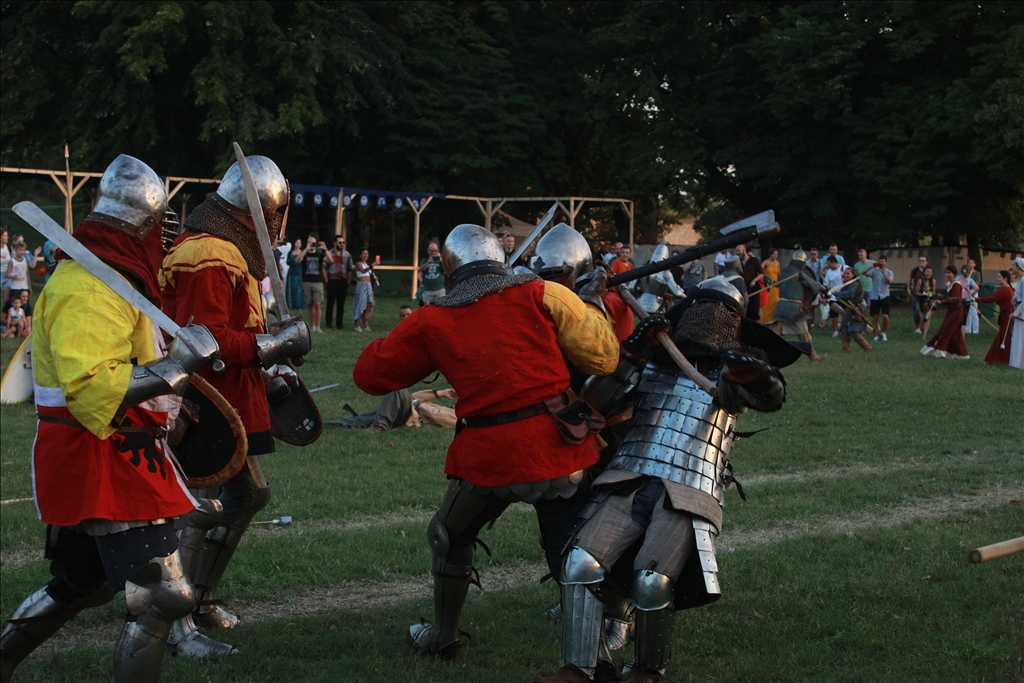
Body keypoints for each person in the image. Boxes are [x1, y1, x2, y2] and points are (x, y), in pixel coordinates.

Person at [0, 155, 223, 683]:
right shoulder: (87, 287)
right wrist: (177, 363)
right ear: (144, 226)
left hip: (122, 447)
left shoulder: (113, 280)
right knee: (165, 596)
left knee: (83, 582)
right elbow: (94, 388)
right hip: (97, 450)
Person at [353, 224, 619, 660]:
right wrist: (589, 304)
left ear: (450, 267)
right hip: (557, 450)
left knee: (446, 535)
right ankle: (593, 652)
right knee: (572, 554)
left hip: (487, 459)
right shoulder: (544, 293)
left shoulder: (431, 319)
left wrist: (413, 340)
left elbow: (369, 375)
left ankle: (443, 636)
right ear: (501, 260)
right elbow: (604, 357)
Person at [535, 278, 799, 683]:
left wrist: (750, 375)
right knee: (579, 562)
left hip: (691, 488)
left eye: (722, 312)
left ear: (735, 322)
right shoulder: (656, 357)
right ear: (687, 310)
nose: (711, 318)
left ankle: (646, 673)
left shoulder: (740, 364)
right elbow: (596, 401)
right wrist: (631, 356)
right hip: (630, 473)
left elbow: (768, 396)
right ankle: (578, 669)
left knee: (651, 581)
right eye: (703, 307)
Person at [161, 154, 311, 652]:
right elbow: (202, 342)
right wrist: (276, 346)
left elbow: (237, 328)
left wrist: (272, 364)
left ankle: (199, 599)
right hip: (202, 404)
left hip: (232, 397)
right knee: (195, 510)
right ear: (266, 211)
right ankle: (172, 622)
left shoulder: (227, 248)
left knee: (246, 497)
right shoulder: (207, 252)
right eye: (278, 211)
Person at [768, 249, 827, 361]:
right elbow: (815, 286)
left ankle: (767, 353)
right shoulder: (800, 274)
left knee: (775, 335)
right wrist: (825, 289)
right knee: (804, 334)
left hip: (780, 306)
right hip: (794, 308)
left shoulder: (783, 272)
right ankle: (813, 356)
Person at [920, 265, 969, 359]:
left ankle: (941, 351)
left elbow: (955, 299)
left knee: (946, 329)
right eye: (946, 272)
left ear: (954, 274)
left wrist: (941, 301)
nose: (947, 275)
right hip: (952, 310)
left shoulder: (956, 284)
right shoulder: (951, 284)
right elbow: (950, 297)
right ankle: (961, 354)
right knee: (955, 334)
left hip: (957, 311)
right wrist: (941, 297)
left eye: (949, 273)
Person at [975, 270, 1015, 364]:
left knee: (1005, 336)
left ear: (1005, 279)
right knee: (1003, 336)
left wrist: (977, 299)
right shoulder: (1007, 289)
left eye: (999, 277)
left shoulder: (1005, 289)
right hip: (1006, 314)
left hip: (1007, 315)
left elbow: (991, 298)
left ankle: (1002, 358)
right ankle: (1000, 358)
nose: (997, 279)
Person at [636, 245, 685, 313]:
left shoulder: (642, 268)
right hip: (656, 306)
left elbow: (631, 288)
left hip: (640, 304)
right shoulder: (665, 273)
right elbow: (677, 293)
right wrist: (689, 298)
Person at [296, 233, 328, 332]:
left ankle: (318, 326)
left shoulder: (319, 254)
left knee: (318, 304)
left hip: (318, 282)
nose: (311, 245)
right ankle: (313, 326)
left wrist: (325, 249)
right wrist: (306, 249)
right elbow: (297, 260)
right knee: (310, 304)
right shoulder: (305, 254)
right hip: (307, 281)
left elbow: (331, 260)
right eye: (309, 242)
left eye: (313, 243)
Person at [836, 266, 872, 353]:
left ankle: (866, 347)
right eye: (844, 273)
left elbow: (850, 294)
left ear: (853, 275)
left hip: (857, 309)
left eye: (848, 273)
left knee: (854, 330)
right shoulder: (845, 284)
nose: (846, 275)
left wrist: (837, 293)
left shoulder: (854, 284)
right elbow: (842, 297)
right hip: (849, 309)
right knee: (844, 329)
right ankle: (846, 350)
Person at [325, 235, 352, 330]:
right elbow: (323, 267)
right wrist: (327, 281)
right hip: (332, 280)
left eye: (343, 242)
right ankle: (329, 323)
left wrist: (348, 281)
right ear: (334, 243)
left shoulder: (347, 254)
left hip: (342, 281)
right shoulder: (329, 253)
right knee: (330, 303)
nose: (342, 244)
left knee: (341, 304)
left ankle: (339, 323)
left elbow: (350, 268)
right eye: (340, 242)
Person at [867, 254, 893, 341]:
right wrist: (871, 267)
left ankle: (884, 332)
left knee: (885, 316)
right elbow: (863, 273)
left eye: (883, 262)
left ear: (886, 263)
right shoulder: (874, 271)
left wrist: (883, 272)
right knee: (875, 317)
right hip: (874, 295)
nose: (881, 263)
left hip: (885, 295)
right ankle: (876, 334)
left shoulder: (889, 272)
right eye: (880, 262)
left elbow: (889, 281)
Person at [736, 243, 763, 321]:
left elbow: (761, 273)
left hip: (753, 286)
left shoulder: (754, 260)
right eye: (736, 251)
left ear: (744, 250)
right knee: (744, 308)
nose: (737, 253)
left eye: (739, 251)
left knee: (754, 309)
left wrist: (754, 280)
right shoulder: (738, 262)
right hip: (744, 287)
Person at [822, 256, 844, 336]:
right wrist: (825, 297)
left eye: (829, 264)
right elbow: (826, 285)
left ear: (834, 262)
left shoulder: (844, 268)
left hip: (844, 295)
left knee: (846, 312)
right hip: (833, 296)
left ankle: (845, 328)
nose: (827, 266)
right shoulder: (829, 272)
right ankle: (835, 330)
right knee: (834, 314)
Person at [1009, 257, 1024, 370]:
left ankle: (1019, 363)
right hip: (1019, 311)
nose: (1011, 267)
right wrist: (1014, 298)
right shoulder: (1020, 280)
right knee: (1017, 338)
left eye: (1013, 265)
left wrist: (1017, 312)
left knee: (1020, 338)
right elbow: (1019, 295)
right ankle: (1016, 363)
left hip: (1022, 314)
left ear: (1018, 267)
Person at [916, 266, 938, 338]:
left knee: (927, 318)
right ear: (924, 273)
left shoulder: (934, 281)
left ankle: (924, 336)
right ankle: (922, 331)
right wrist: (924, 294)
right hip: (921, 301)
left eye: (930, 272)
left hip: (929, 301)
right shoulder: (920, 281)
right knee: (922, 319)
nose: (929, 273)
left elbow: (934, 292)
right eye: (927, 271)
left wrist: (931, 294)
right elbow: (917, 292)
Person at [958, 265, 980, 335]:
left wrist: (972, 294)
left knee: (964, 315)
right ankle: (964, 331)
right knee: (964, 316)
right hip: (963, 299)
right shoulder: (964, 279)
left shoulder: (958, 278)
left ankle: (966, 331)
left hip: (963, 299)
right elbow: (977, 288)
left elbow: (977, 288)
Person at [908, 255, 928, 331]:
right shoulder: (915, 270)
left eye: (923, 261)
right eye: (920, 260)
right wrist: (909, 288)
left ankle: (923, 327)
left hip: (925, 293)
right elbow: (910, 280)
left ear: (926, 262)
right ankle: (918, 327)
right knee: (915, 311)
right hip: (915, 293)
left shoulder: (928, 271)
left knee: (924, 311)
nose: (921, 262)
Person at [285, 238, 305, 311]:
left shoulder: (303, 252)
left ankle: (299, 305)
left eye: (299, 243)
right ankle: (290, 305)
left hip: (299, 273)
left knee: (299, 289)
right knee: (291, 288)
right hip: (291, 273)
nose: (298, 244)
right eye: (297, 242)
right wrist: (294, 262)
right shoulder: (291, 252)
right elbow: (288, 262)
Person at [761, 247, 780, 323]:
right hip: (768, 285)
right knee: (767, 303)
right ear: (770, 254)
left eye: (777, 254)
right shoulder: (766, 262)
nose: (775, 256)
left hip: (775, 286)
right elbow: (760, 270)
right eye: (774, 254)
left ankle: (772, 319)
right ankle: (765, 320)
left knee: (775, 302)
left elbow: (779, 273)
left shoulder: (777, 263)